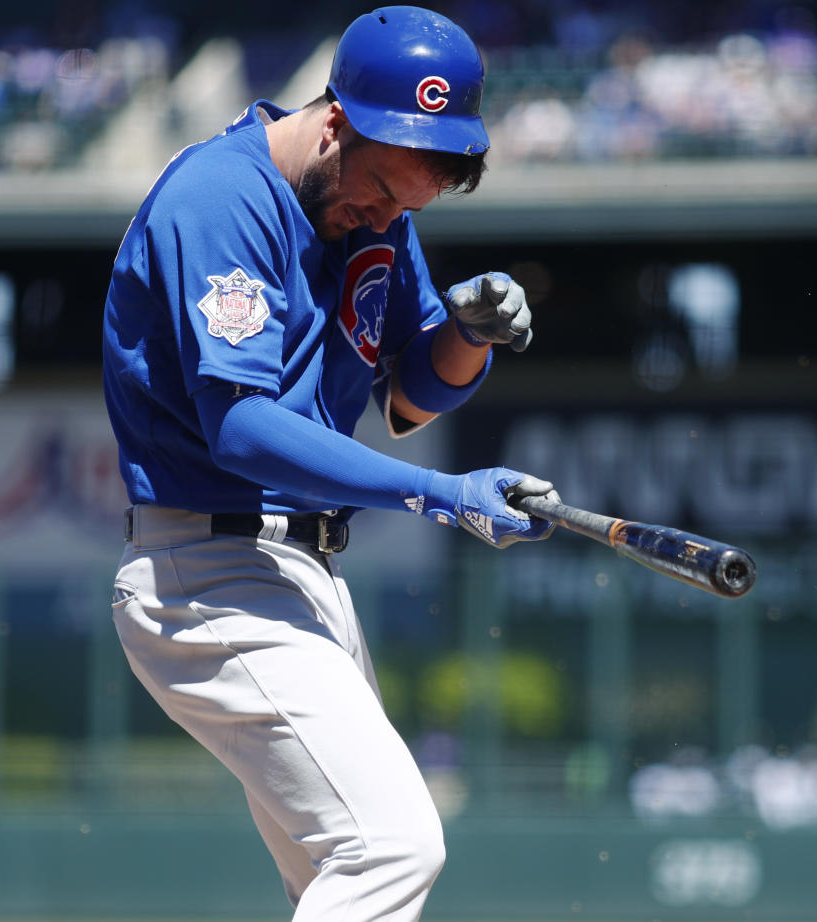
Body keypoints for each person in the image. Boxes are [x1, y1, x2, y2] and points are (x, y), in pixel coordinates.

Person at [101, 7, 557, 921]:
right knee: (390, 846)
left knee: (335, 878)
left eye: (406, 206)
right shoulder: (220, 196)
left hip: (302, 579)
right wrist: (440, 495)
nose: (384, 215)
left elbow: (412, 397)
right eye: (382, 189)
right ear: (337, 118)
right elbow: (244, 431)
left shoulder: (370, 203)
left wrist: (468, 337)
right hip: (210, 571)